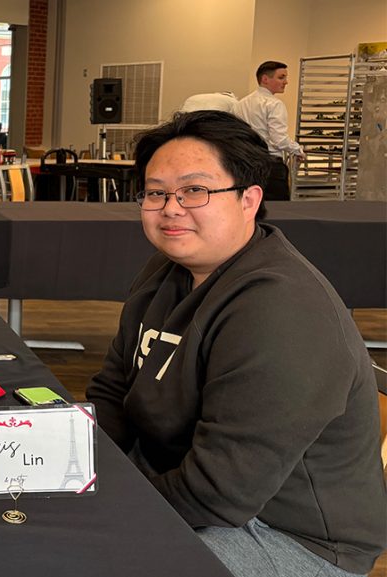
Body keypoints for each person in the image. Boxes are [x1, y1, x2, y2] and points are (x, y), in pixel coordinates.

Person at [86, 110, 385, 577]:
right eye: (156, 192)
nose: (171, 207)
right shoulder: (164, 270)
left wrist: (103, 511)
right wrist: (71, 465)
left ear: (249, 199)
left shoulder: (282, 309)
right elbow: (112, 392)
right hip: (180, 488)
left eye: (195, 190)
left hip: (287, 538)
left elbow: (218, 492)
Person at [231, 61, 305, 200]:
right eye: (281, 77)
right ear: (265, 79)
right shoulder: (274, 104)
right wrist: (297, 149)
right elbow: (279, 140)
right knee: (277, 211)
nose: (286, 82)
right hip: (270, 167)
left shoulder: (240, 105)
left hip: (245, 164)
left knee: (250, 208)